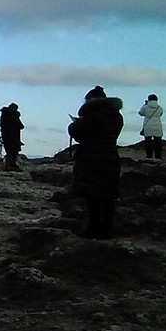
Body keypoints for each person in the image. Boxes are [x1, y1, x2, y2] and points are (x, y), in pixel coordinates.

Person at [68, 85, 124, 239]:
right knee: (108, 197)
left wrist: (74, 124)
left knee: (92, 196)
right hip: (111, 157)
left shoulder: (93, 116)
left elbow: (78, 132)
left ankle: (94, 229)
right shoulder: (117, 116)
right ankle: (107, 230)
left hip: (92, 158)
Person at [138, 94, 164, 159]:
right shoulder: (159, 107)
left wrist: (144, 104)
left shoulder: (146, 107)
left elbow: (140, 113)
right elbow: (161, 114)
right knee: (158, 143)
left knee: (148, 142)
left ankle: (149, 156)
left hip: (148, 126)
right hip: (158, 126)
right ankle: (158, 157)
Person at [0, 103, 24, 171]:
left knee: (12, 152)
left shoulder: (4, 115)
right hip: (12, 137)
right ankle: (8, 166)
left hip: (8, 136)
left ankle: (11, 165)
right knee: (12, 152)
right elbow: (20, 125)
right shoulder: (12, 116)